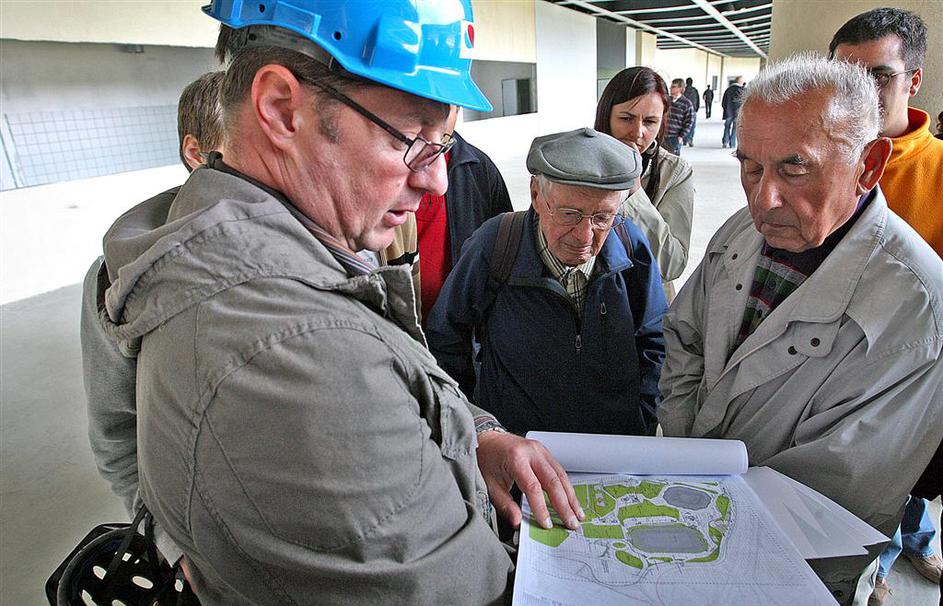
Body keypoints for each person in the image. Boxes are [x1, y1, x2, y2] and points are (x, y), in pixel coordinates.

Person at [92, 2, 586, 603]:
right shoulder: (298, 353)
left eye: (445, 144)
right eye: (412, 139)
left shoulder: (269, 239)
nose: (438, 180)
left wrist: (474, 438)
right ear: (281, 108)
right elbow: (457, 591)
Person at [657, 53, 943, 605]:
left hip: (794, 568)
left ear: (868, 165)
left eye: (795, 168)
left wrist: (701, 483)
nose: (763, 199)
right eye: (750, 167)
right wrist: (690, 445)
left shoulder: (917, 308)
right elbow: (684, 337)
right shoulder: (742, 231)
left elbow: (837, 491)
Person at [426, 127, 666, 438]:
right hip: (518, 448)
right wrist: (480, 425)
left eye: (602, 217)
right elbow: (446, 337)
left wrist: (643, 417)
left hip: (613, 447)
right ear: (537, 196)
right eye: (570, 214)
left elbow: (656, 341)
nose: (585, 236)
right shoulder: (495, 244)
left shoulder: (630, 245)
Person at [81, 70, 226, 566]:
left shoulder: (324, 248)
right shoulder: (119, 278)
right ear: (196, 153)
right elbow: (117, 436)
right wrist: (172, 548)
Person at [829, 8, 943, 602]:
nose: (860, 90)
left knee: (909, 484)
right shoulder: (819, 159)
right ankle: (870, 566)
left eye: (879, 75)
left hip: (913, 379)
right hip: (826, 374)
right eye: (845, 75)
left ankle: (912, 543)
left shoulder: (937, 172)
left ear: (913, 80)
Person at [595, 66, 695, 300]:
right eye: (626, 118)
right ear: (606, 116)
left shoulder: (675, 173)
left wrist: (633, 191)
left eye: (650, 121)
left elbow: (672, 265)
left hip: (645, 304)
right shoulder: (578, 161)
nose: (637, 132)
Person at [416, 114, 512, 319]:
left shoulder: (480, 170)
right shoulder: (382, 167)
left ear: (458, 109)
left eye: (448, 105)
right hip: (387, 329)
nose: (436, 111)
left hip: (460, 331)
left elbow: (506, 259)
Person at [665, 78, 694, 156]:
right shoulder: (666, 101)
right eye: (671, 86)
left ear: (680, 88)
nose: (670, 89)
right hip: (663, 136)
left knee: (673, 159)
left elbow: (689, 122)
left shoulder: (687, 104)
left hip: (674, 137)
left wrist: (681, 136)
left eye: (673, 87)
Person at [721, 75, 745, 148]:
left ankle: (725, 141)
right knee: (735, 128)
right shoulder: (742, 90)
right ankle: (732, 143)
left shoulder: (728, 90)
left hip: (728, 112)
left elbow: (723, 102)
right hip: (737, 113)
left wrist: (725, 109)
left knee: (727, 126)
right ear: (739, 81)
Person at [682, 76, 700, 146]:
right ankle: (690, 139)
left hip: (684, 110)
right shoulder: (695, 90)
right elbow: (698, 100)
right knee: (692, 125)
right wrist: (697, 108)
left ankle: (685, 139)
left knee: (684, 124)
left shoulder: (684, 90)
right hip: (693, 110)